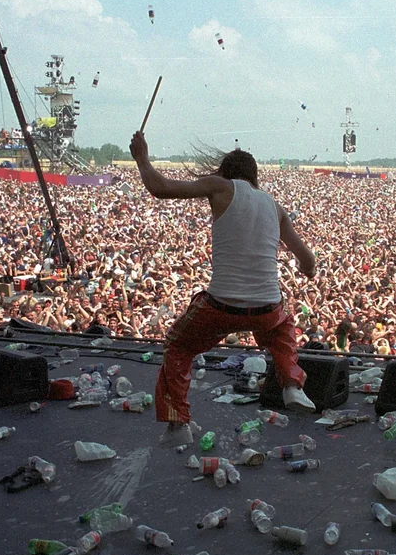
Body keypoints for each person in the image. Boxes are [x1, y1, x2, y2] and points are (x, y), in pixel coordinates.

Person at [130, 132, 317, 445]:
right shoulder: (274, 206)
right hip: (266, 308)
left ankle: (179, 424)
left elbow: (160, 188)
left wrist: (142, 158)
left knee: (178, 344)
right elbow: (308, 259)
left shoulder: (220, 186)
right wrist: (307, 269)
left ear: (226, 173)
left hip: (221, 306)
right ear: (254, 176)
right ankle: (292, 385)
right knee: (282, 327)